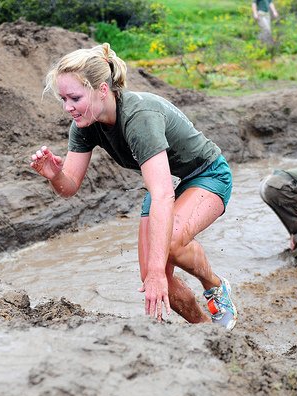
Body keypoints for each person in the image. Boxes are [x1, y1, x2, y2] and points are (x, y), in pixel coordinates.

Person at [30, 43, 238, 330]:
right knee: (151, 277)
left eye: (74, 97)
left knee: (171, 245)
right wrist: (54, 174)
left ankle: (214, 286)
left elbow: (163, 194)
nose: (68, 108)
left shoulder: (139, 117)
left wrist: (157, 270)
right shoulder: (83, 125)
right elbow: (69, 187)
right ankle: (207, 330)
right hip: (163, 185)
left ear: (103, 90)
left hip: (206, 174)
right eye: (63, 99)